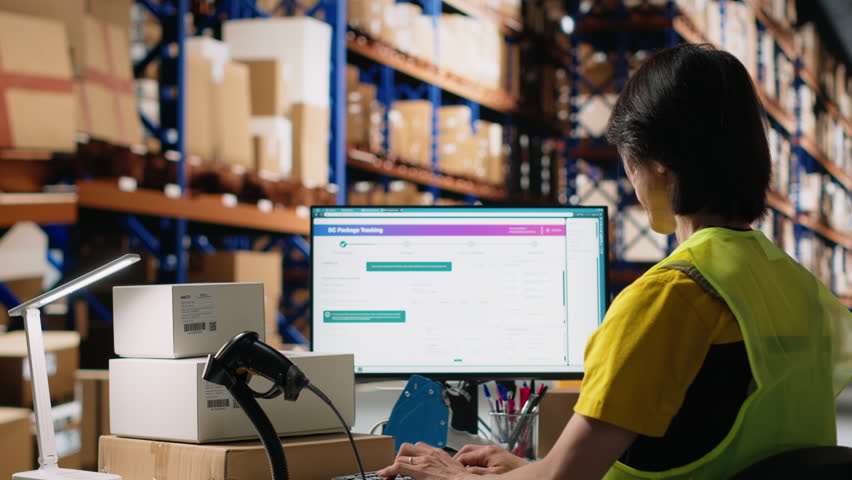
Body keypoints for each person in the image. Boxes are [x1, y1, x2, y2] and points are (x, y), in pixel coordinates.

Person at [377, 43, 852, 480]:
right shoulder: (798, 286)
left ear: (658, 160)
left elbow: (564, 479)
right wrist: (527, 469)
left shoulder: (671, 296)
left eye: (627, 160)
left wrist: (455, 475)